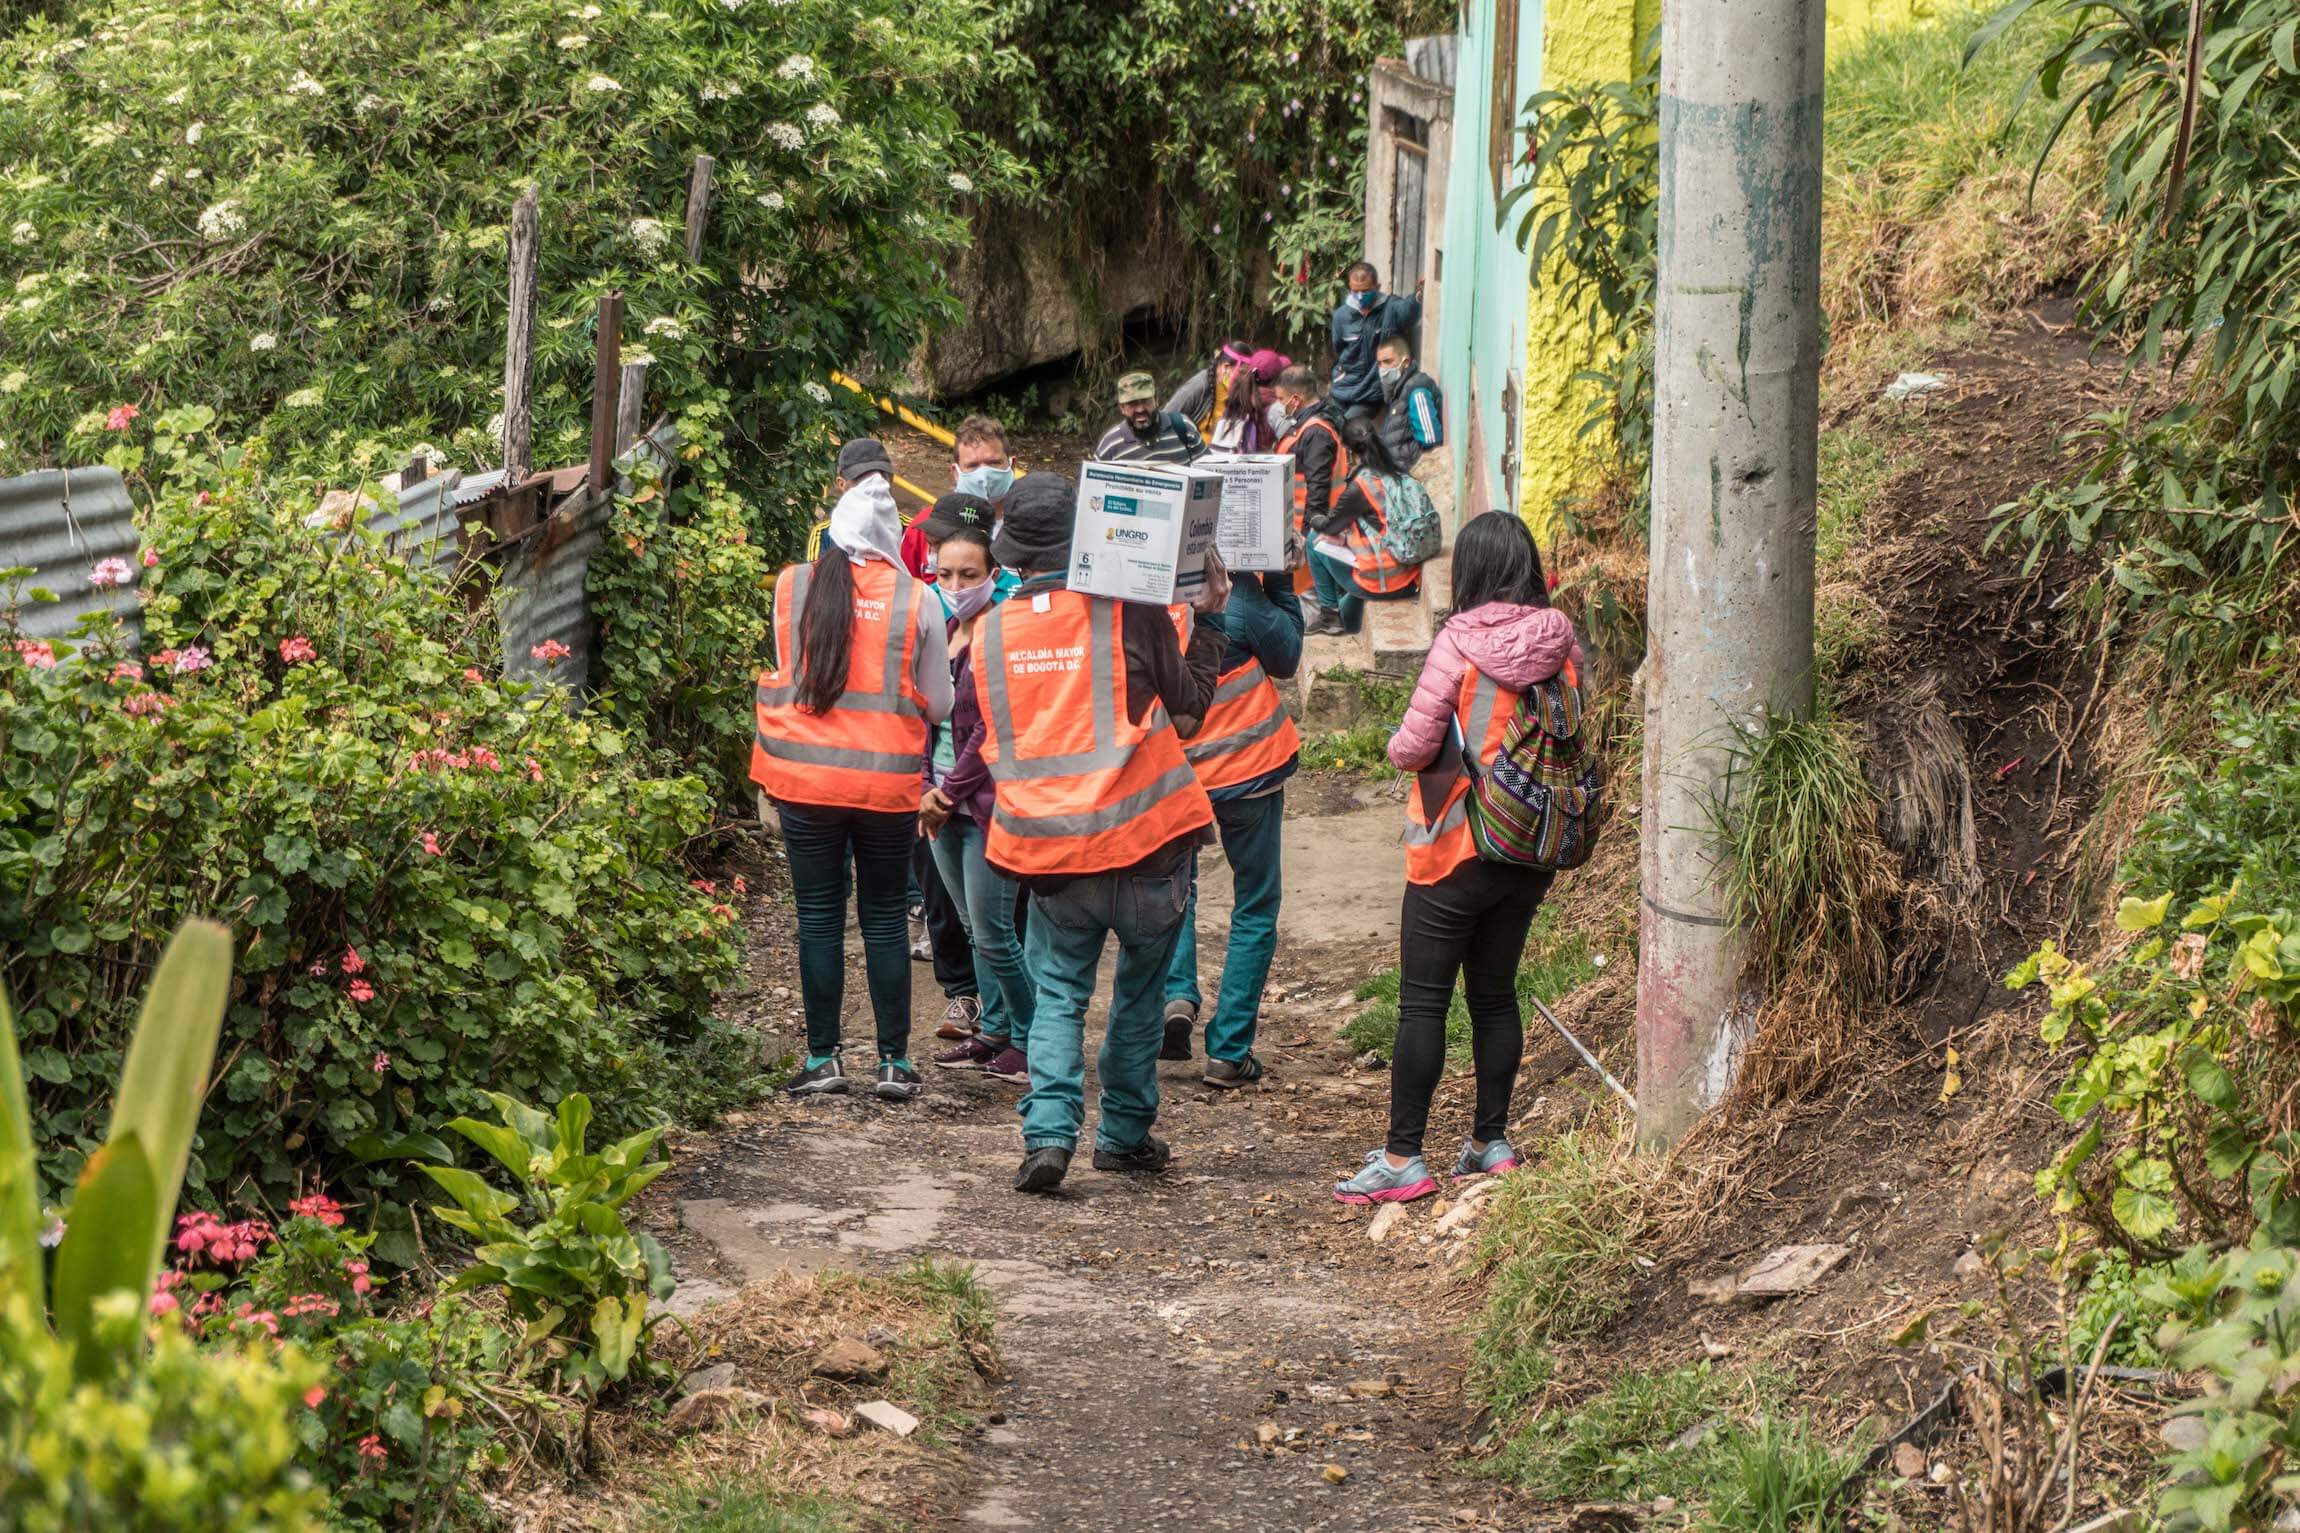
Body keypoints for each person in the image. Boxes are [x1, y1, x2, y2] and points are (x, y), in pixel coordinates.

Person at [975, 474, 1230, 1193]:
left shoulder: (990, 631)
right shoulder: (1130, 613)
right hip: (1148, 842)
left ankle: (1049, 1135)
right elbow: (1188, 712)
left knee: (1058, 991)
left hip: (1052, 851)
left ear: (1015, 557)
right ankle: (1121, 1132)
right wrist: (1207, 619)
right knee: (1141, 992)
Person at [1333, 513, 1582, 1204]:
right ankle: (1488, 1141)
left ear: (1468, 569)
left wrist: (1401, 744)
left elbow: (1412, 748)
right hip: (1529, 846)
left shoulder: (1458, 642)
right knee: (1496, 993)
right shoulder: (1563, 642)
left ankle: (1402, 1157)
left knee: (1424, 1003)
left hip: (1455, 845)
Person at [753, 464, 954, 1102]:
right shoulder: (916, 598)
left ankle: (823, 1060)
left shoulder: (790, 586)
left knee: (818, 918)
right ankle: (894, 1064)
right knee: (886, 920)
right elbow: (942, 705)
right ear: (893, 535)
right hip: (885, 788)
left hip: (805, 782)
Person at [1159, 551, 1305, 1087]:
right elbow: (1287, 654)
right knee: (1256, 902)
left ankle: (1175, 998)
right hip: (1250, 771)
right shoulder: (1236, 591)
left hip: (1174, 776)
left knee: (1177, 892)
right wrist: (1281, 575)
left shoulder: (1145, 592)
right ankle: (1229, 1049)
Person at [918, 525, 1035, 1085]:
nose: (955, 584)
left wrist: (946, 792)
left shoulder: (1000, 635)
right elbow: (926, 716)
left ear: (995, 575)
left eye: (968, 574)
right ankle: (995, 1034)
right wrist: (924, 787)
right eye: (944, 575)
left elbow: (991, 730)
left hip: (984, 804)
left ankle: (1035, 1039)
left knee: (994, 931)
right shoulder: (942, 631)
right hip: (940, 805)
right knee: (971, 926)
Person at [1305, 415, 1425, 637]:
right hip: (1410, 576)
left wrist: (1314, 518)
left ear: (1350, 452)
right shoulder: (1400, 473)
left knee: (1313, 541)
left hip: (1384, 581)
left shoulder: (1361, 486)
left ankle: (1329, 615)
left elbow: (1329, 526)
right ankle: (1342, 613)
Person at [1274, 365, 1347, 601]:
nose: (1278, 405)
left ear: (1296, 398)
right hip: (1299, 528)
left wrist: (1305, 537)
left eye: (1281, 399)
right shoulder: (1310, 425)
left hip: (1307, 533)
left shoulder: (1316, 433)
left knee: (1305, 598)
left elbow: (1318, 489)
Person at [1330, 262, 1422, 418]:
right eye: (1355, 291)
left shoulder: (1390, 308)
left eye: (1365, 291)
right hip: (1343, 388)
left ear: (1377, 287)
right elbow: (1338, 347)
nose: (1360, 296)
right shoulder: (1341, 315)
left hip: (1370, 393)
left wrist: (1418, 296)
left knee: (1348, 428)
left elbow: (1408, 312)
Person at [1095, 372, 1207, 466]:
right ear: (1122, 408)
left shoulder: (1184, 428)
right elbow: (1094, 487)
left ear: (1156, 400)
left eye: (1145, 401)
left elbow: (1208, 473)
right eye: (1132, 404)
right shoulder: (1110, 446)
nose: (1140, 409)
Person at [1374, 333, 1443, 473]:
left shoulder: (1417, 391)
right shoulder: (1398, 392)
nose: (1382, 369)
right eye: (1379, 363)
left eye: (1388, 361)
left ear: (1405, 362)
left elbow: (1431, 444)